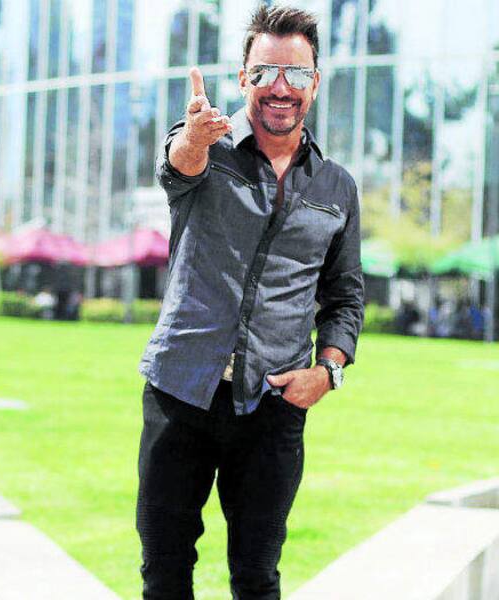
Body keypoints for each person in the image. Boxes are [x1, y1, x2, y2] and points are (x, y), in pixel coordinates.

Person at [136, 6, 365, 599]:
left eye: (296, 74)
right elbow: (179, 166)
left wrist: (328, 372)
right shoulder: (206, 143)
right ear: (243, 79)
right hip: (181, 389)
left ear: (315, 83)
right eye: (265, 72)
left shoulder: (337, 187)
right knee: (164, 572)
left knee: (258, 578)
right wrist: (193, 138)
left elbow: (344, 295)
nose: (280, 87)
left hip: (272, 404)